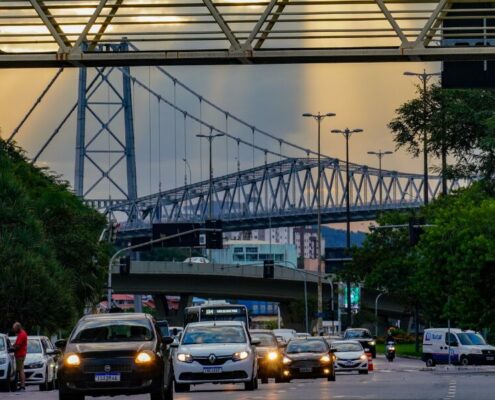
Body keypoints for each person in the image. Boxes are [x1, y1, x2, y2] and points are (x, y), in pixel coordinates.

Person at [12, 322, 28, 391]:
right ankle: (21, 385)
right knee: (20, 370)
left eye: (14, 328)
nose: (13, 330)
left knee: (20, 370)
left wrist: (12, 349)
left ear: (18, 327)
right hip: (20, 354)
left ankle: (22, 386)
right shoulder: (21, 334)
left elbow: (18, 346)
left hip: (20, 355)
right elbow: (16, 344)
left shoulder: (22, 334)